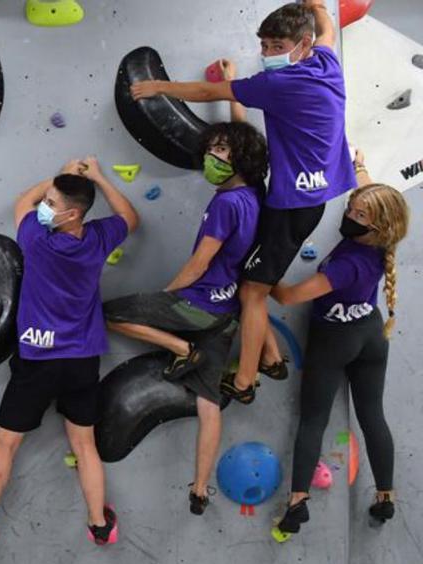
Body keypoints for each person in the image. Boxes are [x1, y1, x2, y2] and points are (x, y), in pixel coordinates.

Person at [131, 0, 354, 404]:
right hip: (305, 199)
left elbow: (206, 90)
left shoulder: (281, 84)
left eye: (276, 45)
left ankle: (246, 380)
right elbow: (328, 32)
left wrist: (159, 88)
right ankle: (269, 356)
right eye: (265, 45)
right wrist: (318, 6)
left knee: (251, 293)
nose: (268, 54)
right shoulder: (325, 64)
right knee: (254, 279)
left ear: (301, 44)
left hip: (292, 207)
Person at [0, 157, 139, 552]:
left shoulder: (36, 241)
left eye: (53, 203)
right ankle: (98, 525)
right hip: (81, 360)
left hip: (37, 361)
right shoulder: (97, 238)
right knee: (84, 445)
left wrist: (58, 175)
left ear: (71, 213)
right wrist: (98, 178)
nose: (45, 206)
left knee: (5, 443)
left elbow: (21, 203)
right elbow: (129, 216)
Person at [104, 116, 268, 515]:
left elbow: (200, 262)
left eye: (223, 150)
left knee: (110, 313)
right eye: (211, 148)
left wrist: (166, 297)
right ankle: (199, 488)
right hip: (227, 311)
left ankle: (179, 347)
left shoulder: (226, 203)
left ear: (241, 157)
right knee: (208, 402)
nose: (213, 155)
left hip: (198, 305)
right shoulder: (253, 195)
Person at [270, 154, 408, 539]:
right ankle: (386, 495)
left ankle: (297, 503)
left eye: (359, 214)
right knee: (372, 415)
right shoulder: (383, 242)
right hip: (370, 333)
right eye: (351, 208)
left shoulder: (346, 264)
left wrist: (259, 276)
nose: (349, 212)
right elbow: (368, 191)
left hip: (335, 341)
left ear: (376, 224)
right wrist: (359, 165)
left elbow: (289, 296)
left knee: (313, 419)